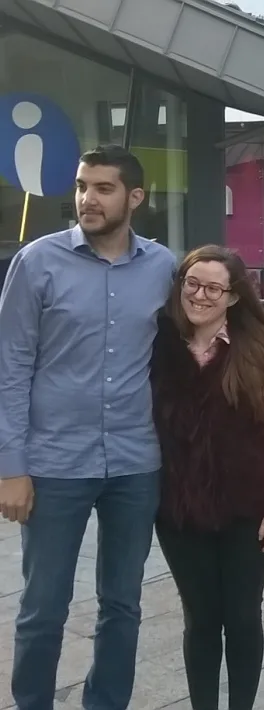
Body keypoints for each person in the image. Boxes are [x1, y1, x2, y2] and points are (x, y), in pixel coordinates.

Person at [0, 145, 176, 710]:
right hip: (54, 465)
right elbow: (10, 367)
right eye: (82, 186)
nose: (87, 199)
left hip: (135, 462)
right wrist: (10, 467)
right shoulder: (37, 262)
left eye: (103, 188)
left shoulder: (165, 268)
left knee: (122, 603)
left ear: (135, 198)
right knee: (43, 606)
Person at [149, 245, 264, 710]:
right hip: (179, 510)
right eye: (191, 284)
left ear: (233, 297)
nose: (199, 295)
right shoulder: (158, 345)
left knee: (240, 616)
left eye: (213, 288)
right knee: (200, 618)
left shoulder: (256, 351)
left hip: (248, 511)